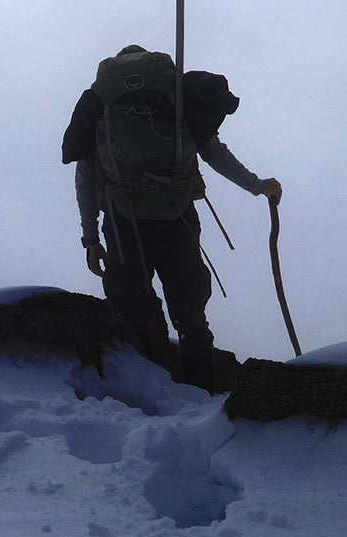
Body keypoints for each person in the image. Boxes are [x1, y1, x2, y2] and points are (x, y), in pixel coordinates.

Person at [61, 45, 281, 390]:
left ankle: (147, 392)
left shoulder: (99, 107)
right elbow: (214, 154)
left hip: (123, 223)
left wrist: (90, 240)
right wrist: (257, 186)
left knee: (132, 310)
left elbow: (85, 179)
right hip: (176, 218)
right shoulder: (178, 100)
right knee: (191, 315)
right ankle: (204, 392)